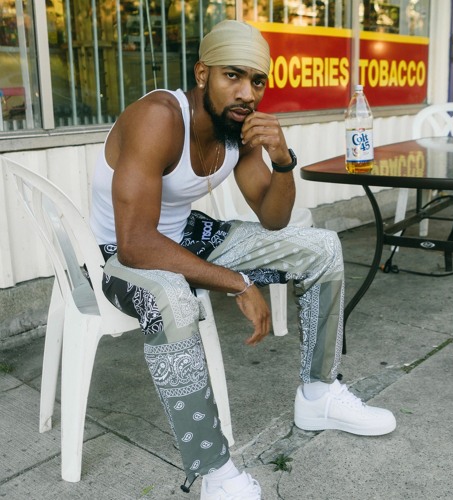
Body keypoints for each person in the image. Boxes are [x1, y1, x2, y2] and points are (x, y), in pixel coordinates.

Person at [90, 19, 396, 500]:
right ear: (202, 73)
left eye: (257, 81)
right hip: (121, 255)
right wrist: (237, 281)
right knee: (172, 299)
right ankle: (213, 469)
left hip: (187, 235)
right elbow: (135, 243)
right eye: (232, 75)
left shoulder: (239, 126)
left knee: (321, 247)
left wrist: (282, 158)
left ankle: (318, 394)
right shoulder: (159, 117)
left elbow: (274, 219)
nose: (246, 93)